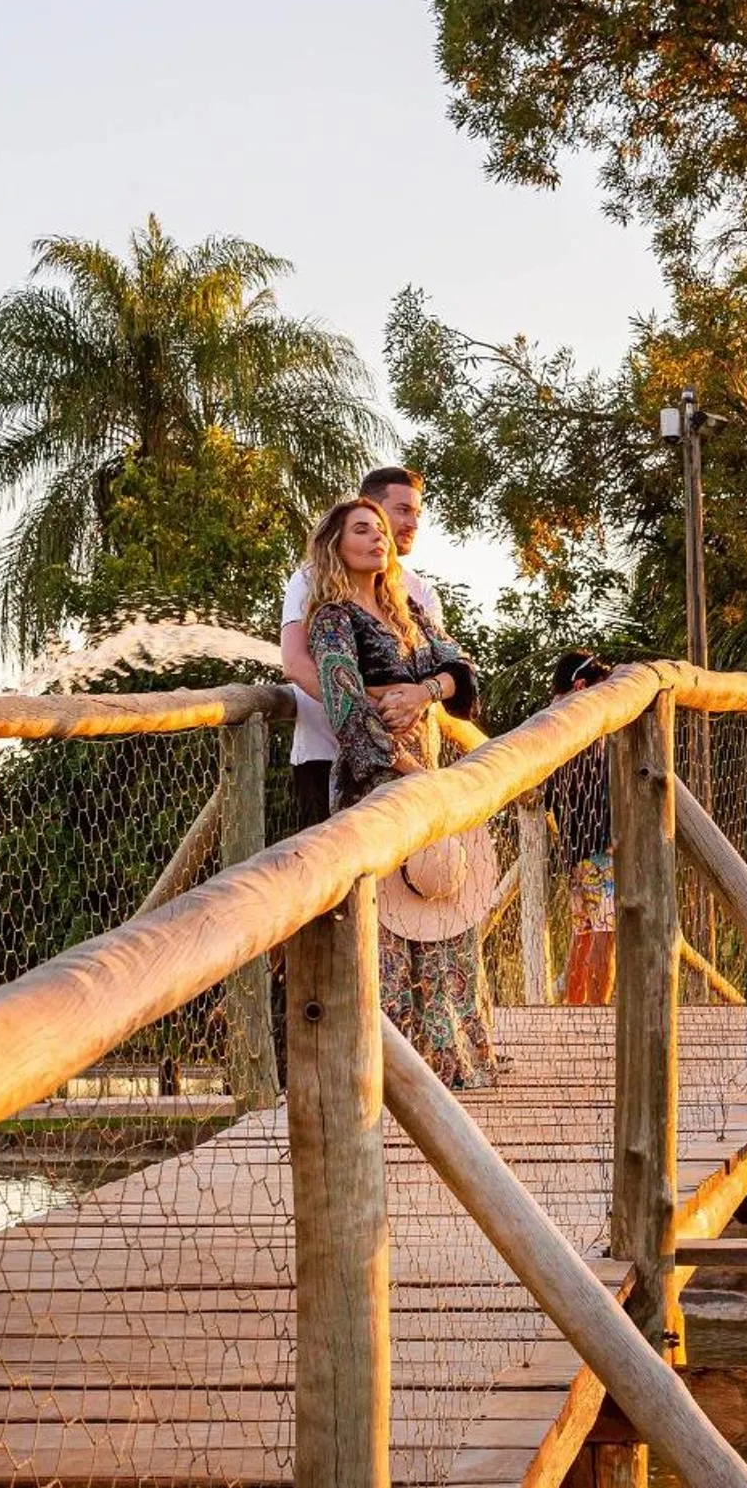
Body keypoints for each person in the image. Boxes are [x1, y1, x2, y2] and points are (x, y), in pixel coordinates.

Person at [304, 494, 492, 1088]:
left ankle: (448, 1060)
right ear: (337, 545)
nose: (378, 538)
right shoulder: (333, 617)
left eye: (382, 530)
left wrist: (423, 693)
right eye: (363, 530)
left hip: (428, 769)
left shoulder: (407, 610)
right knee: (384, 926)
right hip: (379, 779)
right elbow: (341, 699)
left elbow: (464, 675)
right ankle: (390, 1074)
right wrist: (407, 769)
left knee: (437, 905)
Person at [281, 466, 443, 832]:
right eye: (402, 510)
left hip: (413, 762)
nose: (413, 523)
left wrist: (420, 697)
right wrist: (374, 713)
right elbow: (294, 662)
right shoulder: (310, 579)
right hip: (327, 754)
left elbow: (441, 669)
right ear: (370, 507)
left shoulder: (421, 594)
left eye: (417, 513)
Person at [546, 650, 617, 1004]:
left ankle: (575, 1008)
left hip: (573, 846)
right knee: (606, 930)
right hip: (599, 843)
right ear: (581, 686)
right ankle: (598, 1009)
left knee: (584, 930)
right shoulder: (583, 727)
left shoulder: (545, 726)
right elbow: (602, 790)